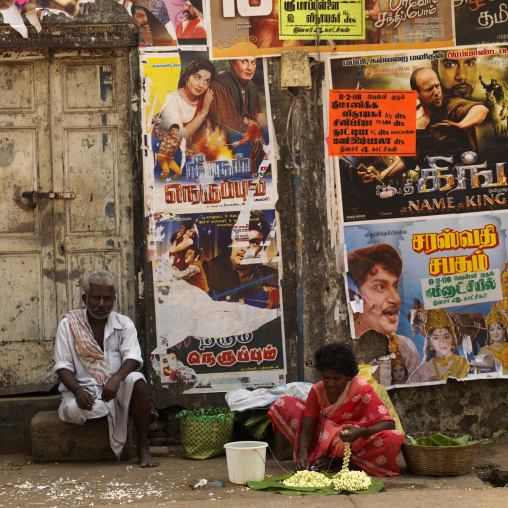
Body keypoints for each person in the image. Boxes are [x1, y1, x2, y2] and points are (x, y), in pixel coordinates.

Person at [53, 270, 158, 468]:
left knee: (137, 381)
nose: (101, 304)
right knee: (82, 411)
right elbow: (62, 366)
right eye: (96, 298)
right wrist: (77, 391)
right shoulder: (68, 325)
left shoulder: (124, 323)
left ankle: (144, 448)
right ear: (85, 298)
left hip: (116, 389)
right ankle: (135, 412)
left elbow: (133, 358)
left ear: (114, 300)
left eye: (107, 299)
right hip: (84, 392)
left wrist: (116, 378)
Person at [267, 343, 403, 476]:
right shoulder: (317, 391)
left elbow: (389, 424)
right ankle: (331, 459)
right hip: (326, 439)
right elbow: (307, 431)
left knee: (393, 438)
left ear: (348, 376)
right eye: (325, 377)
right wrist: (302, 455)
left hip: (354, 440)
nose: (330, 384)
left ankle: (341, 462)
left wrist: (360, 432)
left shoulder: (360, 388)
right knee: (284, 403)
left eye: (336, 379)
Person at [359, 68, 488, 184]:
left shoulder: (450, 105)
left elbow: (480, 110)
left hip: (466, 181)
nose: (437, 92)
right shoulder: (412, 120)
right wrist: (382, 176)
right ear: (416, 94)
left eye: (437, 86)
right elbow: (408, 158)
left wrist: (460, 126)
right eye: (429, 89)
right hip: (432, 186)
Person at [347, 243, 420, 378]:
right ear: (354, 295)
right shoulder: (343, 350)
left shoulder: (406, 347)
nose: (395, 299)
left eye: (395, 286)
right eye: (380, 287)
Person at [203, 210, 277, 300]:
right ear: (230, 241)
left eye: (254, 243)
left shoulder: (273, 275)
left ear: (261, 248)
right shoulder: (207, 273)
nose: (245, 248)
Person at [408, 308, 469, 383]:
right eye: (436, 338)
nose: (442, 343)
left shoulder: (464, 363)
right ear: (430, 341)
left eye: (446, 337)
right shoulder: (424, 368)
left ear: (452, 339)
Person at [159, 58, 215, 140]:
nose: (201, 85)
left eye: (206, 81)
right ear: (187, 76)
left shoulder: (204, 98)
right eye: (197, 77)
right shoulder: (172, 99)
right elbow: (179, 136)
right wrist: (203, 112)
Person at [208, 58, 267, 135]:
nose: (250, 68)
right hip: (223, 143)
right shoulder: (219, 84)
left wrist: (256, 121)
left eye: (253, 62)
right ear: (232, 62)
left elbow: (260, 122)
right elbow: (229, 129)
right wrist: (255, 124)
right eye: (244, 61)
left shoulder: (252, 88)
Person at [470, 304, 508, 375]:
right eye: (492, 329)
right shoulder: (484, 351)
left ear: (504, 330)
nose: (495, 332)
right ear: (489, 332)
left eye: (499, 328)